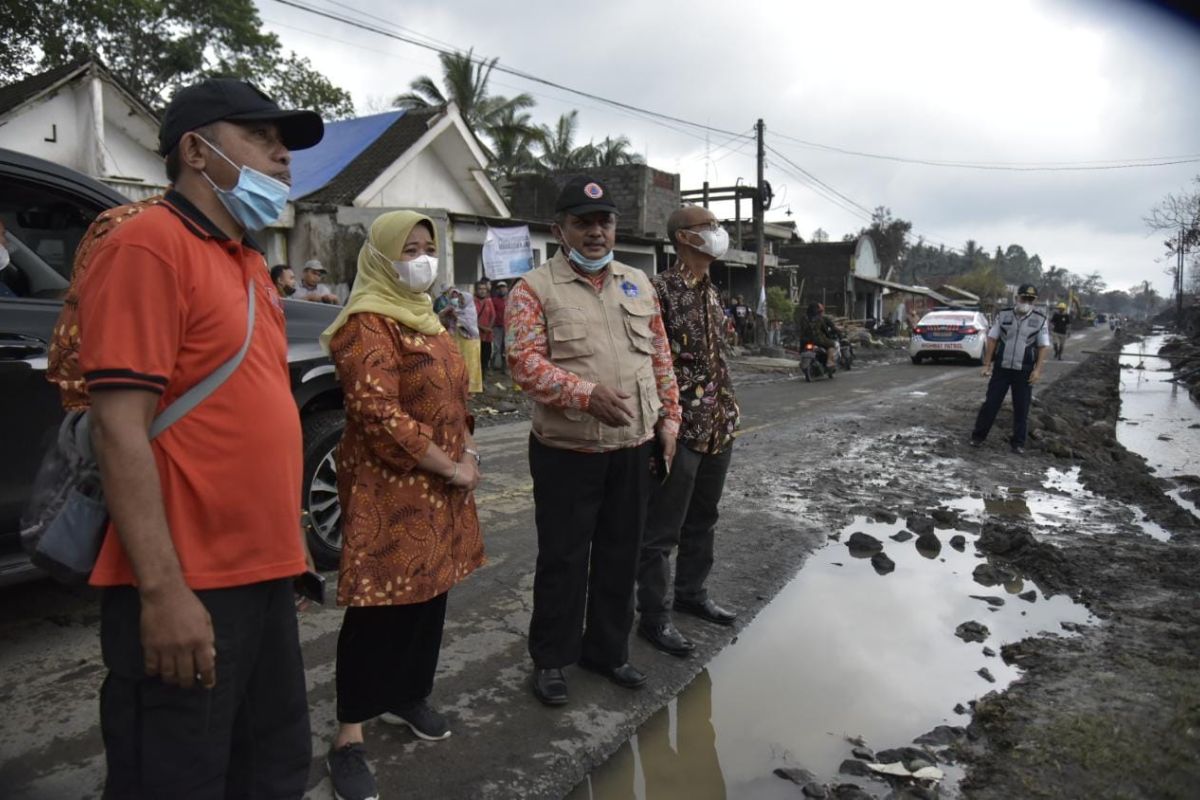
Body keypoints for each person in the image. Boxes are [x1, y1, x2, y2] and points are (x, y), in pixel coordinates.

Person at [46, 77, 324, 797]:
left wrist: (285, 555)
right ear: (197, 150)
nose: (282, 157)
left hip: (261, 579)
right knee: (177, 774)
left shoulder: (249, 262)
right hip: (188, 583)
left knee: (270, 770)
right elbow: (119, 428)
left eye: (285, 145)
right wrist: (164, 594)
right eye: (262, 138)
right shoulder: (147, 245)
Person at [321, 210, 484, 800]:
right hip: (390, 491)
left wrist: (465, 453)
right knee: (379, 608)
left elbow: (451, 394)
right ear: (380, 257)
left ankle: (408, 695)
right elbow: (377, 415)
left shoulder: (429, 320)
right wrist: (450, 464)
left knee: (430, 593)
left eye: (426, 247)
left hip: (442, 489)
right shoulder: (365, 324)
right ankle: (349, 736)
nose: (421, 259)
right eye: (408, 249)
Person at [506, 175, 681, 706]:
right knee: (563, 559)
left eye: (603, 222)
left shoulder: (639, 283)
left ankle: (607, 652)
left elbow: (660, 356)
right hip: (567, 451)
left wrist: (670, 419)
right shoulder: (532, 289)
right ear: (560, 229)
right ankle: (552, 660)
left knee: (620, 555)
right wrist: (583, 393)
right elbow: (523, 363)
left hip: (632, 446)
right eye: (583, 222)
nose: (596, 232)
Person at [636, 206, 740, 659]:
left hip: (719, 424)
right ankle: (654, 617)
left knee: (705, 517)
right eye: (708, 227)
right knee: (662, 529)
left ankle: (692, 594)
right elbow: (649, 362)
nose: (718, 234)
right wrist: (662, 422)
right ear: (683, 238)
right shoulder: (657, 291)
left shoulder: (712, 292)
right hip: (679, 427)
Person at [970, 283, 1050, 455]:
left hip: (1024, 370)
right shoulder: (1004, 315)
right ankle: (978, 437)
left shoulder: (1040, 319)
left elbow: (1043, 346)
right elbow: (992, 339)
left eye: (1030, 299)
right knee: (991, 404)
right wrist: (986, 364)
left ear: (1035, 301)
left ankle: (1018, 443)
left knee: (1022, 407)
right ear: (1017, 298)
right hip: (1002, 368)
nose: (1026, 302)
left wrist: (1037, 370)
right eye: (1023, 298)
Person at [435, 282, 484, 392]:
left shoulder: (470, 310)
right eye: (459, 298)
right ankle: (461, 387)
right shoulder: (456, 309)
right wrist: (447, 314)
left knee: (470, 365)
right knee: (460, 363)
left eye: (462, 298)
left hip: (471, 342)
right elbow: (442, 317)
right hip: (460, 341)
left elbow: (468, 325)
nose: (460, 300)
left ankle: (471, 389)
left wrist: (456, 317)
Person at [797, 302, 838, 368]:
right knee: (832, 344)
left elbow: (800, 329)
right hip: (818, 340)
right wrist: (829, 336)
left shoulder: (803, 318)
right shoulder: (819, 318)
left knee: (802, 350)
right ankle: (829, 361)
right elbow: (825, 329)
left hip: (804, 340)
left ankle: (803, 361)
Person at [474, 279, 497, 372]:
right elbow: (470, 319)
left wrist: (489, 328)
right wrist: (482, 328)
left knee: (485, 358)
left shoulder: (489, 301)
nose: (482, 291)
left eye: (484, 289)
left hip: (487, 336)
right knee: (476, 359)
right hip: (476, 336)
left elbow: (493, 315)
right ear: (476, 290)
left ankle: (483, 379)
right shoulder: (472, 302)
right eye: (480, 289)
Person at [491, 280, 509, 371]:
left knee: (505, 348)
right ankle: (491, 367)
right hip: (497, 327)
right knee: (496, 348)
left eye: (503, 287)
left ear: (507, 288)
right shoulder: (493, 300)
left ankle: (504, 368)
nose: (502, 289)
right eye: (500, 288)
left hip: (508, 327)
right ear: (497, 290)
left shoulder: (511, 299)